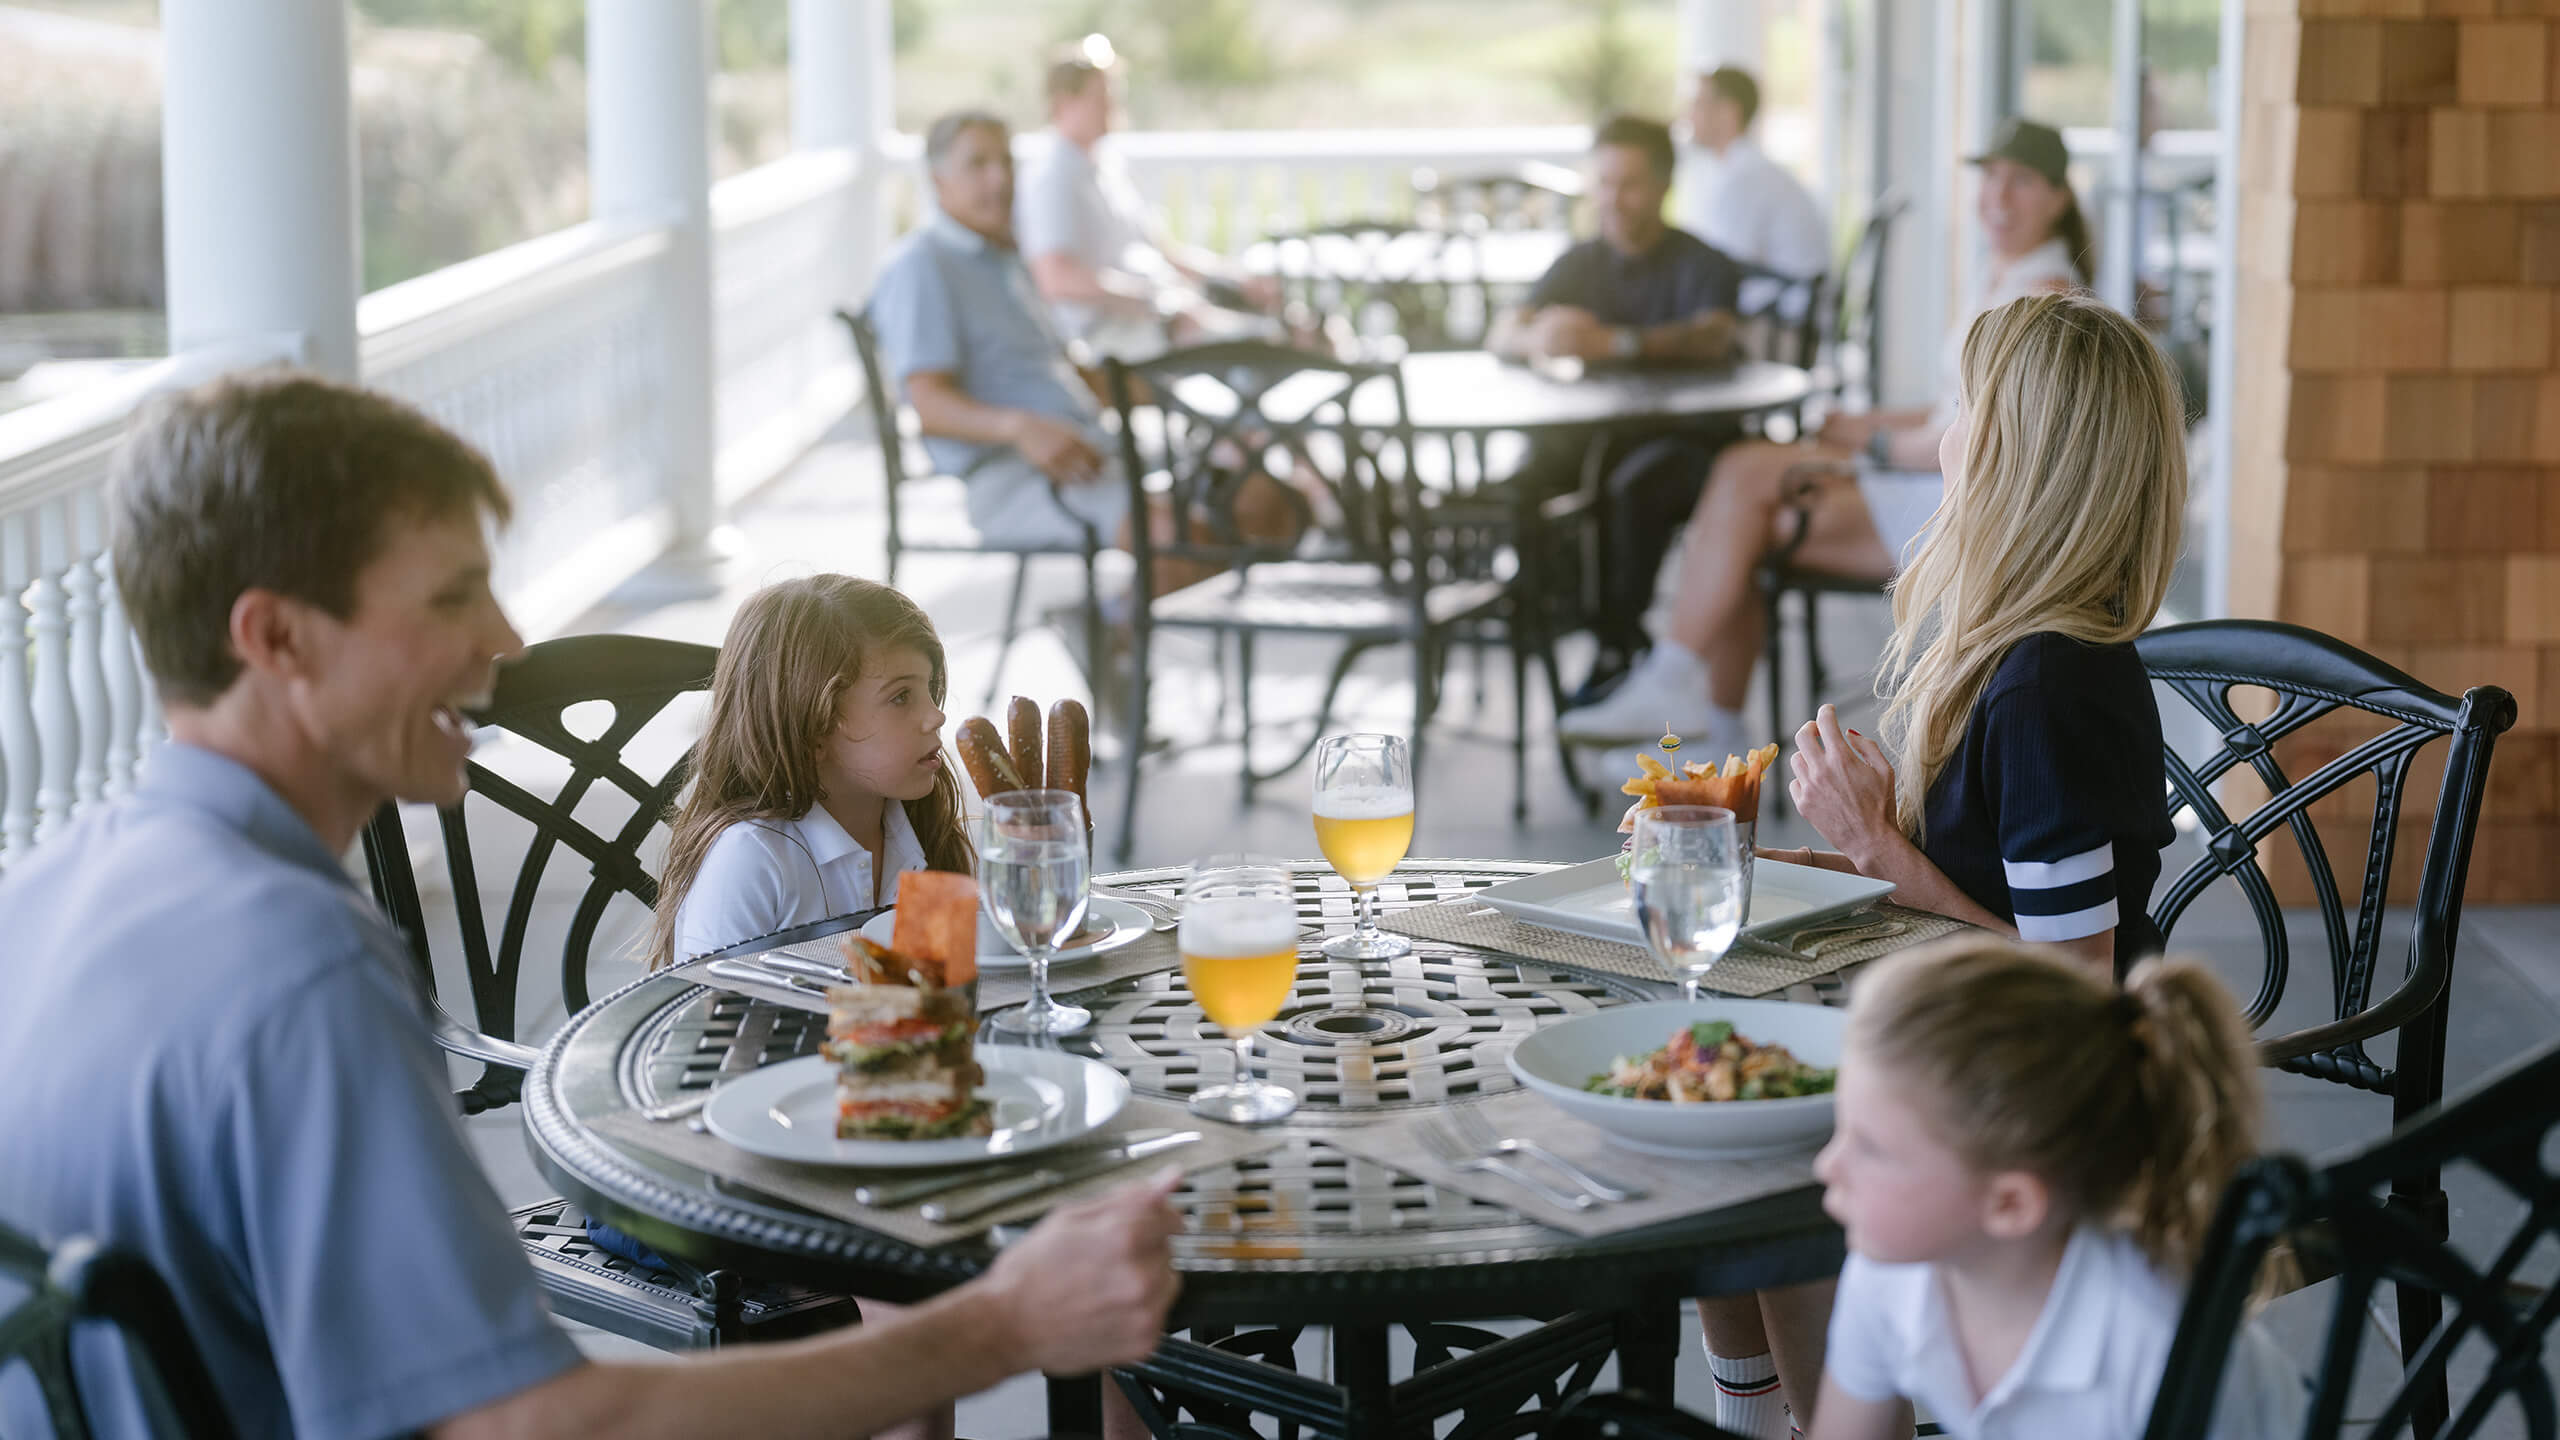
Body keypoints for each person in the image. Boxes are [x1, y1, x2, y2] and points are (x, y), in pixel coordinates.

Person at [0, 370, 1182, 1439]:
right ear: (277, 637)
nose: (509, 640)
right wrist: (1009, 1325)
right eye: (457, 595)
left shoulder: (45, 898)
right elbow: (531, 1424)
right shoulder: (298, 970)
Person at [1682, 290, 2186, 1438]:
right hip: (1966, 1025)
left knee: (1761, 1148)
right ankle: (1765, 1419)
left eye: (1963, 405)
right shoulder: (2018, 652)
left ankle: (1816, 1427)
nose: (1943, 430)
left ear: (2013, 451)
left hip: (2049, 1087)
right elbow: (1965, 879)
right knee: (1718, 1082)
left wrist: (1879, 850)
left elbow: (2075, 992)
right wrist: (1819, 862)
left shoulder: (2050, 686)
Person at [1558, 116, 2093, 749]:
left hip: (1960, 509)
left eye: (2022, 182)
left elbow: (1983, 439)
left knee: (1742, 488)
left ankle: (1687, 696)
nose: (1999, 198)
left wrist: (1872, 443)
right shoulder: (2007, 274)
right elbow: (1954, 406)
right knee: (1741, 497)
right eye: (1990, 178)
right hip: (1936, 480)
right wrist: (1863, 423)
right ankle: (1705, 717)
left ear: (2058, 197)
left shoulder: (2044, 294)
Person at [1806, 939, 2303, 1440]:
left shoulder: (2157, 1350)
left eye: (1871, 1149)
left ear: (2010, 1204)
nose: (1827, 1165)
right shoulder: (1890, 1272)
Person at [873, 108, 1296, 588]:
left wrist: (1194, 402)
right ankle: (1114, 639)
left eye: (1006, 162)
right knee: (1183, 536)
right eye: (978, 164)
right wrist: (1020, 428)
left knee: (1268, 496)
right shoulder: (921, 265)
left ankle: (1124, 627)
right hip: (1019, 475)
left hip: (1094, 450)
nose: (1000, 178)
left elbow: (1076, 375)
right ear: (937, 179)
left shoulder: (1005, 257)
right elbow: (928, 405)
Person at [1485, 114, 1745, 698]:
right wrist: (1539, 339)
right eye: (1603, 183)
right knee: (1529, 476)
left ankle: (1617, 642)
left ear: (1662, 186)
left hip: (1689, 440)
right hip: (1592, 434)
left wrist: (1615, 343)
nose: (1613, 199)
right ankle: (1540, 614)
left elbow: (1714, 336)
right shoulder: (1580, 262)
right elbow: (1502, 331)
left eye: (1628, 184)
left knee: (1631, 486)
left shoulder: (1701, 263)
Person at [653, 575, 971, 967]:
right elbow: (711, 1012)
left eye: (930, 688)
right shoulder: (752, 859)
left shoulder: (921, 827)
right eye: (901, 697)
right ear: (813, 728)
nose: (936, 715)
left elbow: (946, 990)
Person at [1016, 35, 1280, 360]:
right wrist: (1156, 303)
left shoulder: (1105, 166)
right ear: (1063, 104)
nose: (1112, 107)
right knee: (1264, 346)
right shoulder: (1052, 177)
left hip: (1169, 316)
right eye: (1100, 98)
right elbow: (1058, 279)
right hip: (1114, 338)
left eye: (1113, 96)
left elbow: (1167, 253)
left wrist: (1233, 276)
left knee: (1289, 325)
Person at [1685, 66, 1830, 302]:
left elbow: (1719, 272)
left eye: (1698, 103)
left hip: (1779, 322)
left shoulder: (1744, 180)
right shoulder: (1751, 171)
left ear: (1727, 112)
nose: (1688, 114)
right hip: (1794, 308)